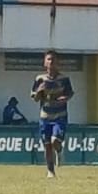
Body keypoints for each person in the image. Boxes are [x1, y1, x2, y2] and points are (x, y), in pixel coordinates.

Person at [31, 51, 74, 179]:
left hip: (60, 115)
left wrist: (64, 98)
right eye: (49, 59)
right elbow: (34, 98)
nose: (51, 62)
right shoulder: (40, 79)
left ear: (58, 63)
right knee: (47, 145)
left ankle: (59, 151)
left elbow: (70, 93)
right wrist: (39, 91)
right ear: (45, 62)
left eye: (54, 60)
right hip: (45, 116)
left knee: (55, 140)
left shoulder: (64, 79)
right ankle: (50, 171)